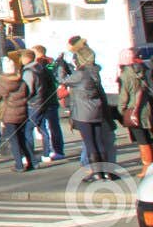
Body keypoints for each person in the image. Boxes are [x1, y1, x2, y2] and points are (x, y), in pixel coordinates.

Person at [62, 51, 114, 180]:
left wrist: (60, 68)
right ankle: (106, 172)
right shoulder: (94, 71)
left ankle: (96, 173)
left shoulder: (80, 74)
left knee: (90, 143)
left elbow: (63, 80)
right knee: (98, 141)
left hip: (83, 112)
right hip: (96, 109)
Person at [0, 53, 34, 172]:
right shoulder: (21, 81)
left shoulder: (0, 82)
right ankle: (31, 161)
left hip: (9, 113)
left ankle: (19, 164)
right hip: (22, 112)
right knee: (22, 138)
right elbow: (28, 93)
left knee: (13, 140)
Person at [24, 45, 66, 162]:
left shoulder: (40, 65)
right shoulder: (51, 62)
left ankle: (47, 152)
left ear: (38, 53)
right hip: (50, 99)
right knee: (51, 126)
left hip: (42, 101)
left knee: (39, 126)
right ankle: (55, 150)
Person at [116, 47, 152, 176]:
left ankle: (147, 165)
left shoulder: (125, 75)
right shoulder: (144, 69)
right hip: (147, 107)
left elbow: (123, 96)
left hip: (133, 110)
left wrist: (121, 109)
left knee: (141, 138)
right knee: (148, 136)